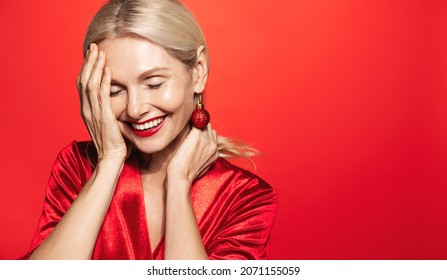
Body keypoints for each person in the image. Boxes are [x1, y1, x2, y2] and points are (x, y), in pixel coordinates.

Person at [25, 0, 277, 260]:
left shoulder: (246, 198)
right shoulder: (77, 168)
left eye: (154, 84)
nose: (135, 109)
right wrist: (108, 163)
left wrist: (179, 182)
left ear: (198, 71)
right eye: (115, 90)